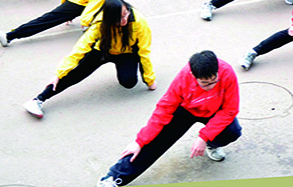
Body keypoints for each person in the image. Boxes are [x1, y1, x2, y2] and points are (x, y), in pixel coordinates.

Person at [96, 50, 241, 187]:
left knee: (233, 131)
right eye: (205, 83)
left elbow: (230, 110)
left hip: (215, 110)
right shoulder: (183, 78)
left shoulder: (227, 73)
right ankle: (115, 177)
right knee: (155, 141)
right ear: (193, 75)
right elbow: (164, 108)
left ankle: (212, 144)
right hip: (185, 109)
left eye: (214, 81)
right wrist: (140, 141)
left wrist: (204, 137)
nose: (211, 86)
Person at [21, 0, 156, 119]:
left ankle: (127, 71)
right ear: (109, 19)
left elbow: (144, 51)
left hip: (126, 54)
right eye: (119, 18)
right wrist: (59, 73)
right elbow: (80, 48)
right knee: (75, 74)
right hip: (102, 50)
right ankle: (38, 100)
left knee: (129, 83)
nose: (124, 20)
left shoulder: (139, 22)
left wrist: (149, 80)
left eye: (125, 13)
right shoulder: (100, 23)